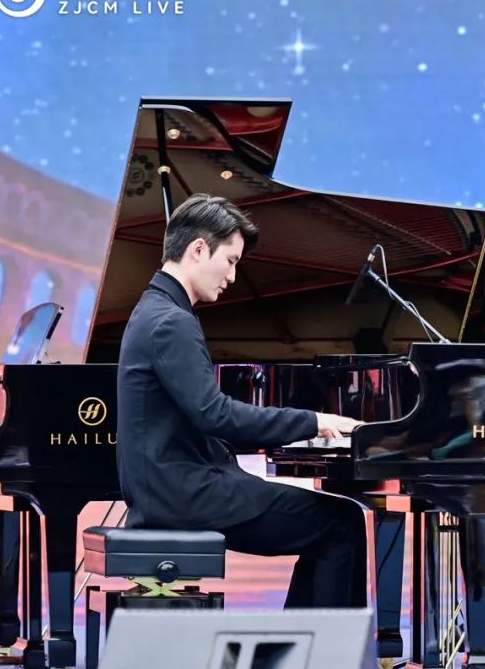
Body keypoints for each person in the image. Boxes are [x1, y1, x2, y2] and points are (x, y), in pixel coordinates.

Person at [116, 194, 367, 608]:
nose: (233, 277)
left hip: (170, 490)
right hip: (185, 496)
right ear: (199, 249)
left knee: (333, 523)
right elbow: (215, 414)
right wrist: (314, 421)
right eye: (231, 261)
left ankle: (303, 642)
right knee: (341, 522)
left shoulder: (154, 310)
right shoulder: (171, 321)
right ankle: (319, 643)